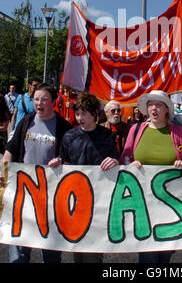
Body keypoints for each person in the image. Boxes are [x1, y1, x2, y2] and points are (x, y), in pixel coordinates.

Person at [3, 82, 72, 263]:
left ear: (53, 102)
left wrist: (61, 162)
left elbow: (70, 158)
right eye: (36, 99)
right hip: (23, 193)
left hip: (50, 196)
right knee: (19, 244)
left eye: (44, 100)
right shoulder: (26, 121)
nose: (39, 103)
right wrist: (5, 173)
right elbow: (11, 148)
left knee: (48, 248)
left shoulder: (63, 127)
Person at [120, 90, 182, 264]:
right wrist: (130, 164)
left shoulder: (178, 132)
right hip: (142, 201)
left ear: (167, 109)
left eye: (159, 105)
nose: (154, 109)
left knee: (165, 253)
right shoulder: (136, 130)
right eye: (151, 105)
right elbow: (125, 157)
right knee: (147, 253)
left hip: (170, 202)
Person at [51, 92, 119, 263]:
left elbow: (117, 162)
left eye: (84, 113)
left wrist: (114, 161)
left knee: (93, 251)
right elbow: (65, 162)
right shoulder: (69, 136)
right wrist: (58, 163)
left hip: (100, 200)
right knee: (77, 246)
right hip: (75, 198)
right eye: (78, 113)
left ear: (95, 114)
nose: (79, 117)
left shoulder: (107, 136)